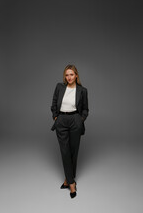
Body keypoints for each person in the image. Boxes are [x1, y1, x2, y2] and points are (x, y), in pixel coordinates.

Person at [50, 64, 89, 198]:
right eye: (67, 75)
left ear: (76, 75)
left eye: (71, 74)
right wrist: (55, 116)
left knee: (73, 151)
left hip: (75, 120)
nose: (69, 77)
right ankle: (72, 184)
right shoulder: (59, 87)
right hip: (61, 120)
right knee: (65, 151)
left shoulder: (82, 90)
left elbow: (85, 109)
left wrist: (81, 119)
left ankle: (68, 179)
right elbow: (54, 102)